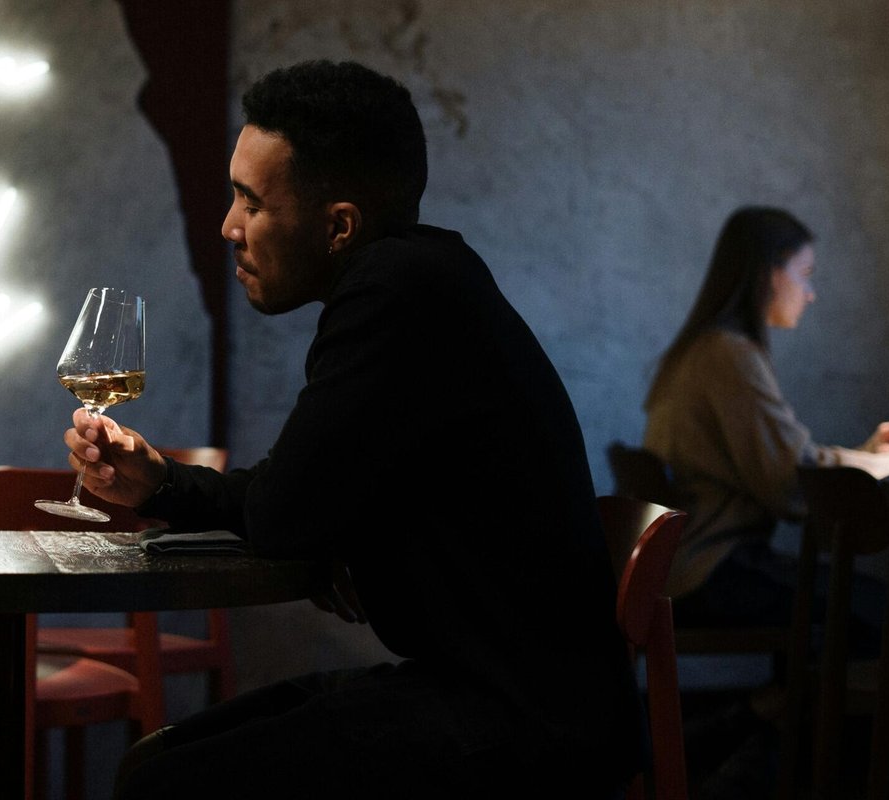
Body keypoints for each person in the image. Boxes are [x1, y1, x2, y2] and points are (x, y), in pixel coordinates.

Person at [58, 60, 646, 798]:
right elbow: (302, 500)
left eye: (250, 201)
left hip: (523, 723)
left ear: (338, 226)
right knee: (155, 762)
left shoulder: (394, 295)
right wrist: (164, 482)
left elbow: (284, 512)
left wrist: (321, 529)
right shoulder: (429, 278)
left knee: (165, 784)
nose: (227, 227)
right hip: (505, 696)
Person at [640, 205, 889, 796]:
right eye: (805, 274)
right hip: (715, 569)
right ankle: (817, 764)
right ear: (769, 273)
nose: (811, 292)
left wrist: (866, 454)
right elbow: (789, 484)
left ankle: (771, 725)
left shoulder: (704, 350)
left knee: (860, 611)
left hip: (688, 563)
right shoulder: (727, 354)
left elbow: (785, 462)